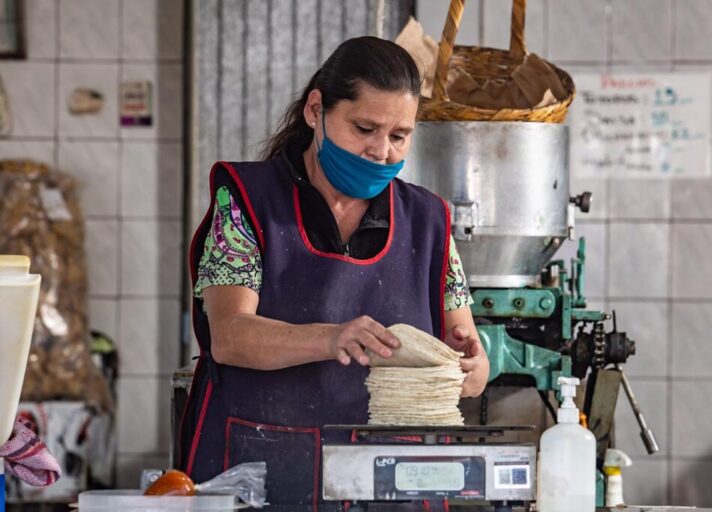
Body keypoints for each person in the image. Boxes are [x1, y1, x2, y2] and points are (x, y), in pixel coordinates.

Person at [178, 36, 490, 511]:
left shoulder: (429, 221)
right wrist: (330, 338)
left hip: (391, 482)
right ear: (316, 110)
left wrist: (472, 367)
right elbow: (230, 336)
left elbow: (465, 350)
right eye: (364, 128)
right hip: (259, 475)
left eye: (399, 135)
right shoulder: (246, 201)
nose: (381, 150)